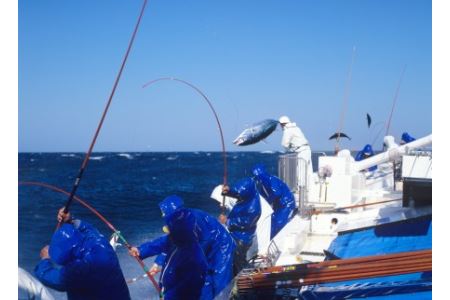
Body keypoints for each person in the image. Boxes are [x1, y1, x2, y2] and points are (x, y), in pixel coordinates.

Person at [129, 195, 235, 299]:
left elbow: (179, 248)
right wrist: (142, 251)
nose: (162, 215)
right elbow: (169, 241)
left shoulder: (192, 229)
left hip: (222, 246)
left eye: (163, 213)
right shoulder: (180, 221)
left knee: (218, 280)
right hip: (204, 244)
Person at [34, 208, 130, 300]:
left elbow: (54, 280)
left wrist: (44, 260)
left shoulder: (77, 271)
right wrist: (70, 220)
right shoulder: (101, 244)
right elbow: (89, 229)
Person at [222, 178, 261, 274]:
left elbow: (245, 224)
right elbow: (239, 193)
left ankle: (243, 279)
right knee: (237, 260)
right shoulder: (249, 194)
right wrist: (229, 191)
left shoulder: (254, 208)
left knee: (238, 261)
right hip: (236, 234)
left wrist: (227, 221)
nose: (239, 196)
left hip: (242, 238)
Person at [252, 164, 296, 239]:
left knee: (278, 223)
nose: (257, 178)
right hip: (278, 205)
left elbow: (277, 193)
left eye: (258, 175)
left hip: (286, 204)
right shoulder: (262, 184)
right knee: (271, 221)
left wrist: (267, 202)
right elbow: (262, 197)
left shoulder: (272, 180)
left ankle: (273, 239)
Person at [279, 115, 313, 187]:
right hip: (307, 150)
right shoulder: (296, 128)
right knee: (308, 171)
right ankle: (309, 189)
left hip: (301, 151)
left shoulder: (287, 130)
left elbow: (284, 144)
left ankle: (301, 191)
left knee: (301, 172)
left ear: (282, 124)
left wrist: (290, 148)